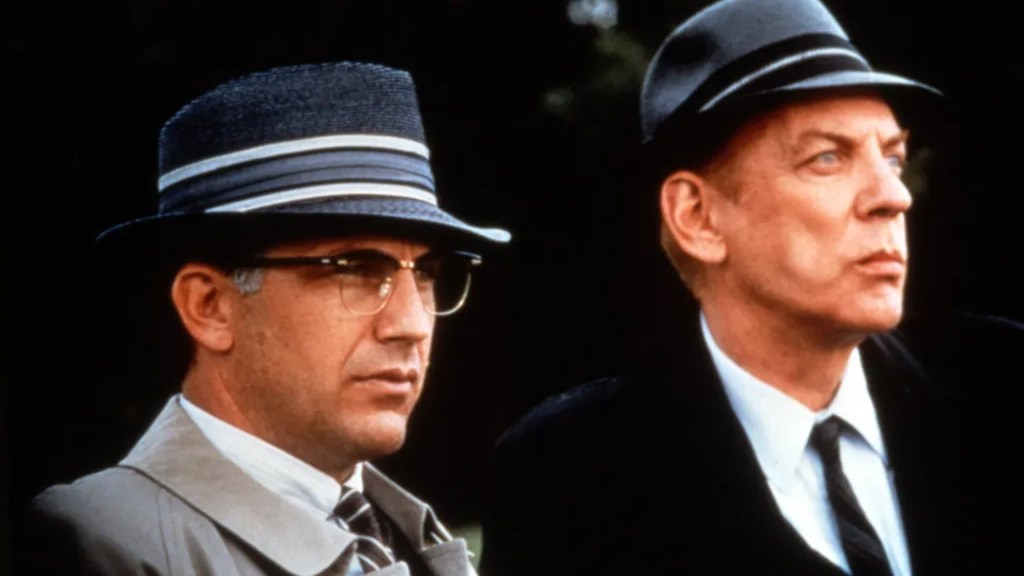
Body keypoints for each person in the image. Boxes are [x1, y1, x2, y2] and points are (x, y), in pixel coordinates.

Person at [479, 0, 1023, 575]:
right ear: (697, 217)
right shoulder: (571, 477)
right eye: (828, 158)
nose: (894, 196)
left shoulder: (1003, 387)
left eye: (892, 157)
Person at [20, 61, 509, 575]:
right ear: (209, 306)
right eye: (355, 269)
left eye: (427, 273)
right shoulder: (103, 540)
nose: (411, 324)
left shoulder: (407, 535)